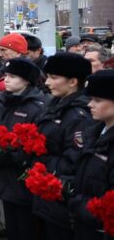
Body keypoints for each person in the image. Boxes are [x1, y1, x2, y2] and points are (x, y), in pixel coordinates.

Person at [0, 58, 49, 240]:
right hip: (4, 179)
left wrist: (9, 156)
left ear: (26, 80)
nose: (6, 80)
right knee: (12, 228)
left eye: (12, 76)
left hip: (23, 181)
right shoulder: (2, 101)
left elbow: (38, 145)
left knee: (27, 229)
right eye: (5, 75)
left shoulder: (37, 107)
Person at [32, 52, 92, 240]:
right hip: (45, 196)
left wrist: (40, 162)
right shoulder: (53, 104)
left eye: (53, 78)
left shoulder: (78, 116)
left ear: (73, 81)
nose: (47, 83)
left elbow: (75, 161)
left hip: (61, 200)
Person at [67, 69, 114, 240]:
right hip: (84, 224)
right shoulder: (93, 133)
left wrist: (77, 204)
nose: (89, 104)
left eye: (98, 100)